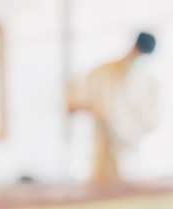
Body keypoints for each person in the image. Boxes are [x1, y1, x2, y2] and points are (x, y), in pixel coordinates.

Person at [68, 32, 159, 184]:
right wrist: (99, 111)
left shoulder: (148, 82)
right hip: (104, 160)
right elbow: (71, 106)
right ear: (133, 48)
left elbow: (154, 122)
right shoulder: (102, 74)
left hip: (134, 159)